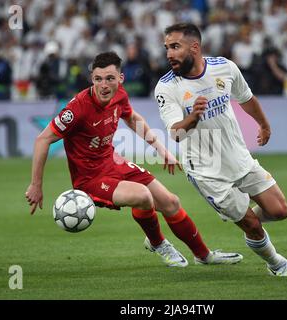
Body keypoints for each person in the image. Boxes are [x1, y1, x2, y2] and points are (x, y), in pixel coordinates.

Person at [25, 51, 242, 268]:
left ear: (120, 79)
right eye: (98, 79)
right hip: (89, 179)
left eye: (110, 78)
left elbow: (132, 119)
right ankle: (158, 243)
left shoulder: (119, 95)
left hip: (113, 163)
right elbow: (43, 139)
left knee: (171, 202)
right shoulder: (77, 108)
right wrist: (36, 185)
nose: (104, 85)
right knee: (143, 196)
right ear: (92, 79)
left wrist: (161, 149)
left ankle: (204, 256)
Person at [154, 23, 287, 277]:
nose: (169, 53)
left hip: (238, 157)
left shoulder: (223, 67)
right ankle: (277, 264)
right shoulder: (167, 87)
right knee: (251, 225)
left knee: (279, 210)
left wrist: (264, 123)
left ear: (195, 47)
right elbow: (176, 133)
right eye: (167, 48)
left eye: (175, 47)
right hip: (207, 170)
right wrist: (193, 116)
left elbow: (246, 98)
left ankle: (243, 218)